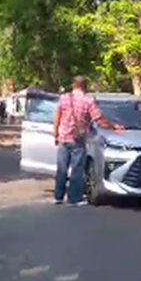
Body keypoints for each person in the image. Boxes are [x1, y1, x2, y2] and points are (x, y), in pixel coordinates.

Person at [52, 76, 124, 206]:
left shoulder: (64, 98)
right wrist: (114, 126)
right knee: (76, 170)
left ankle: (58, 196)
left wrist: (55, 134)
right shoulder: (88, 101)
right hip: (78, 140)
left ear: (73, 85)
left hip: (63, 139)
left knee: (62, 169)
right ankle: (73, 199)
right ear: (85, 86)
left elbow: (57, 116)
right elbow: (99, 119)